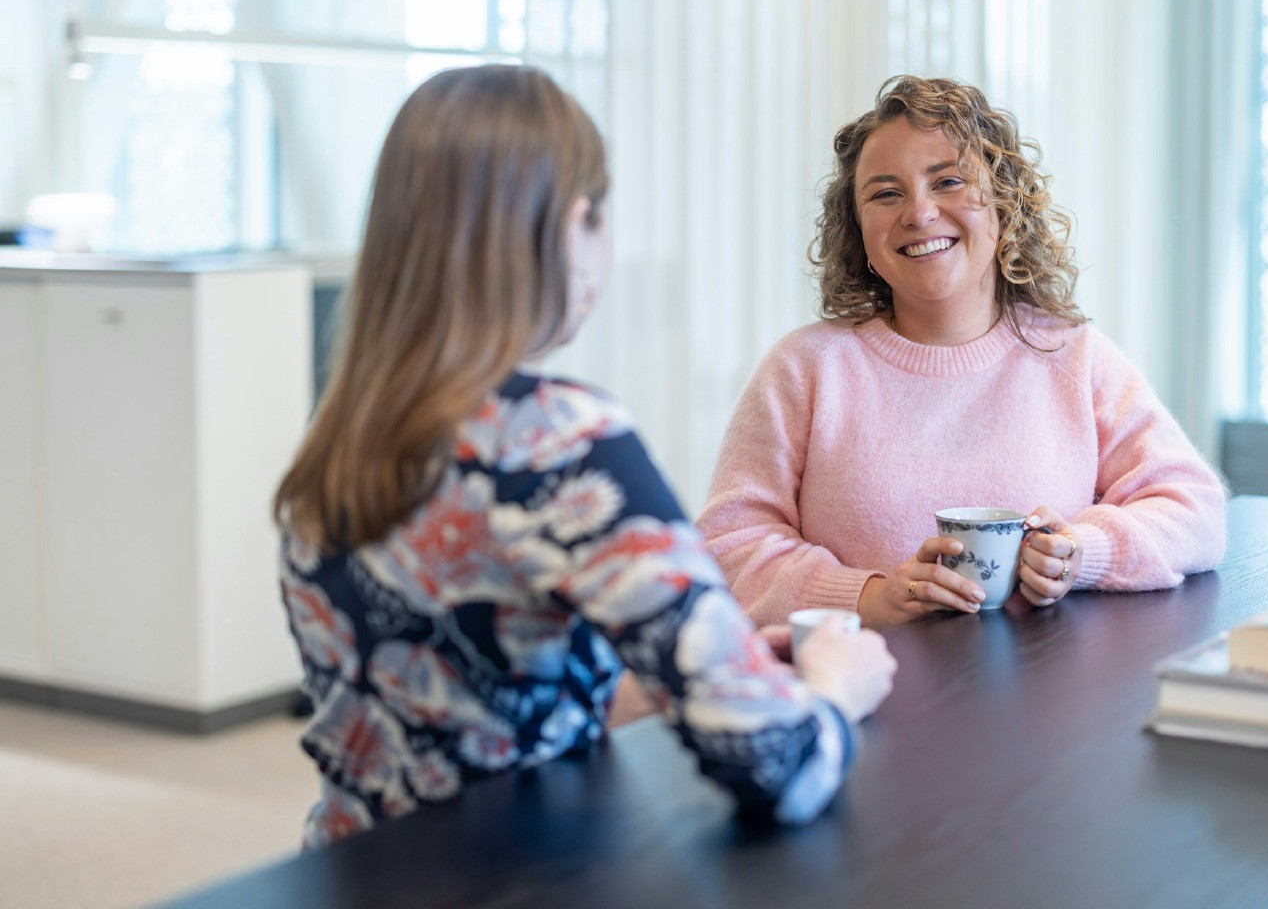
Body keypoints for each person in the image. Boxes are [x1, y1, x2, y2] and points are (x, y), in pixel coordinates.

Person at [273, 66, 895, 846]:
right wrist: (836, 692)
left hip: (358, 869)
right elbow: (779, 765)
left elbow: (479, 704)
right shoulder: (560, 441)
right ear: (574, 224)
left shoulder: (338, 444)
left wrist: (684, 678)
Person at [697, 75, 1227, 630]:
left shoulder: (1073, 356)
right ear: (858, 232)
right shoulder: (805, 369)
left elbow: (1194, 510)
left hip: (1042, 694)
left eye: (948, 181)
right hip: (855, 689)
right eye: (885, 193)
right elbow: (727, 546)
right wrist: (865, 598)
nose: (920, 213)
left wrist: (1083, 553)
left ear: (1005, 205)